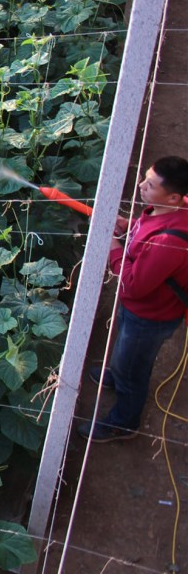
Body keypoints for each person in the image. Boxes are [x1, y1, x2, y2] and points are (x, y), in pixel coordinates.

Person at [78, 156, 188, 443]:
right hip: (142, 310)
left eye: (150, 185)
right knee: (125, 350)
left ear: (175, 197)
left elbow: (131, 286)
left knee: (134, 369)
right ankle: (116, 375)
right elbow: (148, 223)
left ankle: (124, 423)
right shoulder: (170, 209)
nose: (141, 186)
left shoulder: (169, 242)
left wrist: (111, 245)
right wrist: (128, 226)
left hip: (150, 317)